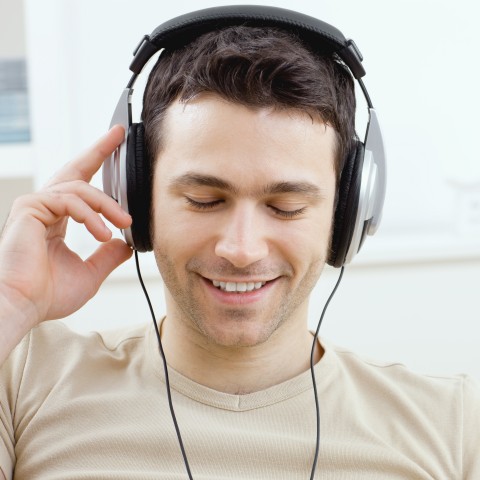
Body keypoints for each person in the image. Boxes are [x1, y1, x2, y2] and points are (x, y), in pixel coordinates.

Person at [1, 6, 479, 480]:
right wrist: (9, 303)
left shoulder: (452, 424)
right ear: (136, 195)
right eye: (204, 199)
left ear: (347, 212)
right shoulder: (23, 378)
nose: (242, 248)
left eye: (286, 207)